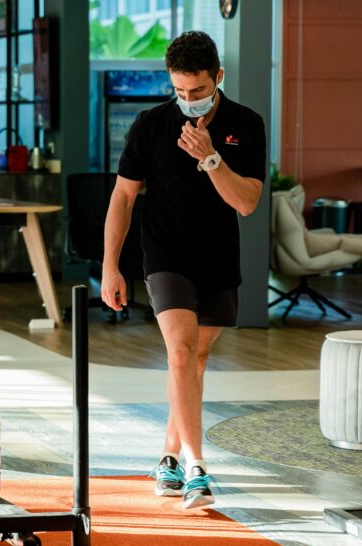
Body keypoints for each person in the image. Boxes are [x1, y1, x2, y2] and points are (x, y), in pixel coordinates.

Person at [101, 31, 266, 509]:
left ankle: (168, 455)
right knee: (179, 350)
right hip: (165, 255)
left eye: (197, 91)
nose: (188, 101)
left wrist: (210, 157)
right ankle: (197, 467)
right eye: (179, 91)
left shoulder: (246, 124)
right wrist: (110, 266)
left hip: (217, 258)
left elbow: (248, 202)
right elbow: (123, 196)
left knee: (195, 360)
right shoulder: (150, 125)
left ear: (218, 77)